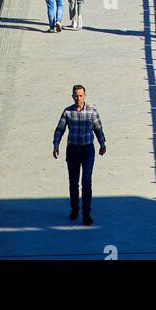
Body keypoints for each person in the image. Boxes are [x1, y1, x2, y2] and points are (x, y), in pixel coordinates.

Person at [52, 84, 106, 226]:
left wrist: (102, 144)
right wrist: (56, 144)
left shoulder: (92, 112)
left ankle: (86, 213)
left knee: (86, 182)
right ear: (72, 96)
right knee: (73, 182)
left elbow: (98, 128)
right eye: (76, 95)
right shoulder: (67, 112)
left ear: (84, 96)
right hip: (73, 151)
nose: (78, 98)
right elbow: (60, 129)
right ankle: (75, 208)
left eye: (80, 95)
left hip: (87, 150)